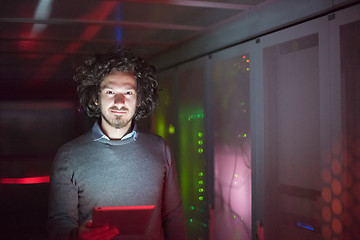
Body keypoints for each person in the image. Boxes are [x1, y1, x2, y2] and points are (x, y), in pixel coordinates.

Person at [47, 47, 186, 240]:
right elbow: (58, 223)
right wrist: (76, 236)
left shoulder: (160, 149)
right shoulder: (69, 156)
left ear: (138, 99)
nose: (119, 102)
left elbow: (173, 218)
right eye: (110, 91)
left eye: (128, 93)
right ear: (96, 98)